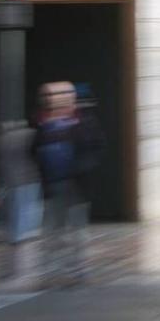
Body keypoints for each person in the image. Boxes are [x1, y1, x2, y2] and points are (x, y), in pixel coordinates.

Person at [31, 80, 104, 286]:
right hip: (53, 187)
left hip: (76, 187)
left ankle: (77, 271)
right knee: (52, 231)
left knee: (77, 231)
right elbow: (34, 152)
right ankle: (50, 272)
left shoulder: (84, 123)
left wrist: (80, 169)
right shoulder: (43, 124)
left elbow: (96, 149)